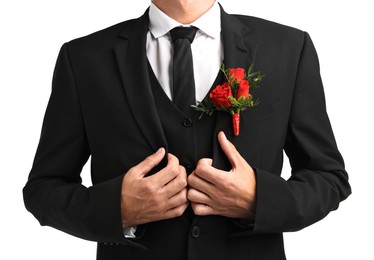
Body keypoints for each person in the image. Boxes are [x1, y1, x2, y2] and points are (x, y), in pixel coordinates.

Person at [23, 0, 351, 259]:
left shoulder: (289, 48)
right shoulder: (83, 58)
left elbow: (329, 178)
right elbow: (43, 190)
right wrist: (117, 210)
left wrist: (258, 201)